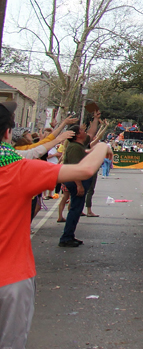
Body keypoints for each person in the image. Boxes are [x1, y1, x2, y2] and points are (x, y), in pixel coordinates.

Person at [0, 101, 112, 348]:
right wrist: (104, 144)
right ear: (8, 133)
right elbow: (85, 169)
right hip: (11, 280)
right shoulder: (18, 169)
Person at [59, 112, 102, 246]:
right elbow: (74, 168)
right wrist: (79, 185)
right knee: (75, 209)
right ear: (77, 135)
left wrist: (95, 119)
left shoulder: (80, 145)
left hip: (77, 180)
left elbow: (91, 133)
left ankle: (69, 235)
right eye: (82, 130)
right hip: (75, 181)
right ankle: (66, 237)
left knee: (77, 209)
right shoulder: (75, 148)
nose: (85, 132)